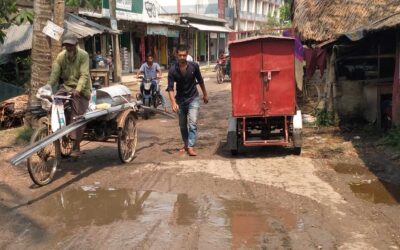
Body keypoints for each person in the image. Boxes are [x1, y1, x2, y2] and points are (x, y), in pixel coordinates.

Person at [47, 32, 91, 157]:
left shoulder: (83, 55)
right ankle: (53, 129)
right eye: (66, 45)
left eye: (71, 45)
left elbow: (84, 74)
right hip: (66, 87)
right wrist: (49, 85)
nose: (69, 48)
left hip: (81, 89)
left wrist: (78, 89)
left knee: (77, 116)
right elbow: (55, 73)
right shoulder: (61, 56)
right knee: (53, 102)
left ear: (76, 45)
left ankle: (76, 146)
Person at [167, 44, 208, 156]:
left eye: (184, 55)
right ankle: (186, 144)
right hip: (180, 100)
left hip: (193, 98)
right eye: (180, 55)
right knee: (182, 125)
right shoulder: (172, 70)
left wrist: (205, 94)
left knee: (193, 123)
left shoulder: (194, 66)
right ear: (177, 55)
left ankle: (190, 146)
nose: (182, 58)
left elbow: (200, 81)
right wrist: (173, 103)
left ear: (187, 55)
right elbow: (170, 88)